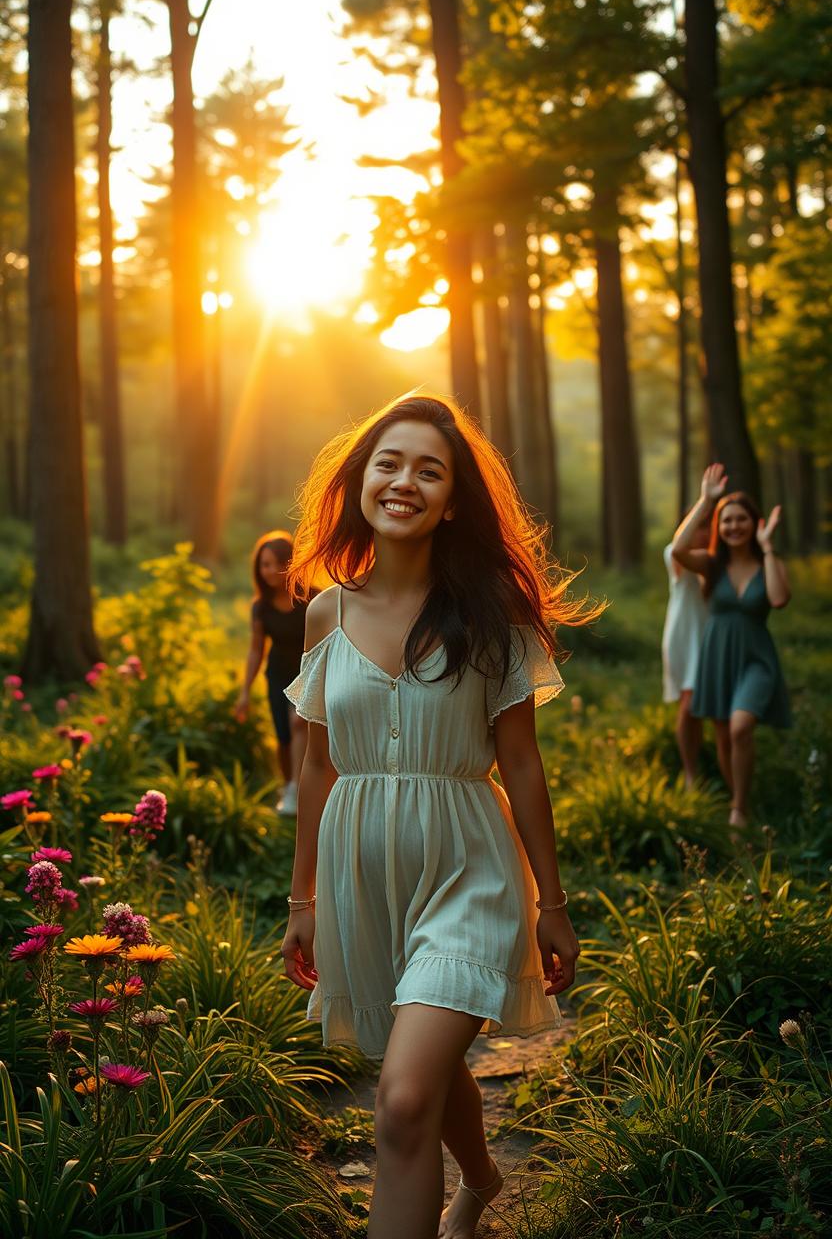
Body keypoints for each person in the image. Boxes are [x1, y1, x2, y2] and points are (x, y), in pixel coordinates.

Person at [280, 393, 594, 1239]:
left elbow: (521, 763)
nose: (404, 481)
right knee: (421, 1063)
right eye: (389, 463)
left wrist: (553, 907)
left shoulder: (489, 611)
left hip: (469, 867)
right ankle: (483, 1180)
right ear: (360, 484)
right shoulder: (325, 613)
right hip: (363, 877)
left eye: (429, 470)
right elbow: (317, 763)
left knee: (404, 1095)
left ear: (452, 499)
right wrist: (301, 900)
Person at [671, 464, 791, 832]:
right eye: (727, 521)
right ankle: (739, 798)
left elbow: (778, 598)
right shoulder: (712, 565)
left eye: (741, 520)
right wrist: (707, 503)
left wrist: (768, 549)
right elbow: (677, 549)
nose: (733, 526)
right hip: (718, 656)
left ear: (754, 524)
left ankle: (739, 808)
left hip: (756, 659)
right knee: (724, 734)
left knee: (740, 728)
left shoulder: (769, 563)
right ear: (719, 528)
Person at [235, 530, 309, 814]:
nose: (269, 571)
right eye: (264, 564)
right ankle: (289, 784)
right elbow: (256, 650)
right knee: (283, 736)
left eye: (276, 563)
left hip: (307, 672)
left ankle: (300, 789)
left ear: (291, 563)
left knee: (299, 724)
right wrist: (244, 692)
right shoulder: (261, 608)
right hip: (277, 674)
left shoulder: (310, 597)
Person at [661, 522, 709, 787]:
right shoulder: (675, 555)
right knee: (689, 704)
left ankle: (703, 765)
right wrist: (706, 501)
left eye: (707, 527)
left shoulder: (715, 561)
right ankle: (691, 772)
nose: (703, 533)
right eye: (698, 526)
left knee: (703, 709)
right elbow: (679, 547)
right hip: (684, 637)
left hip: (709, 639)